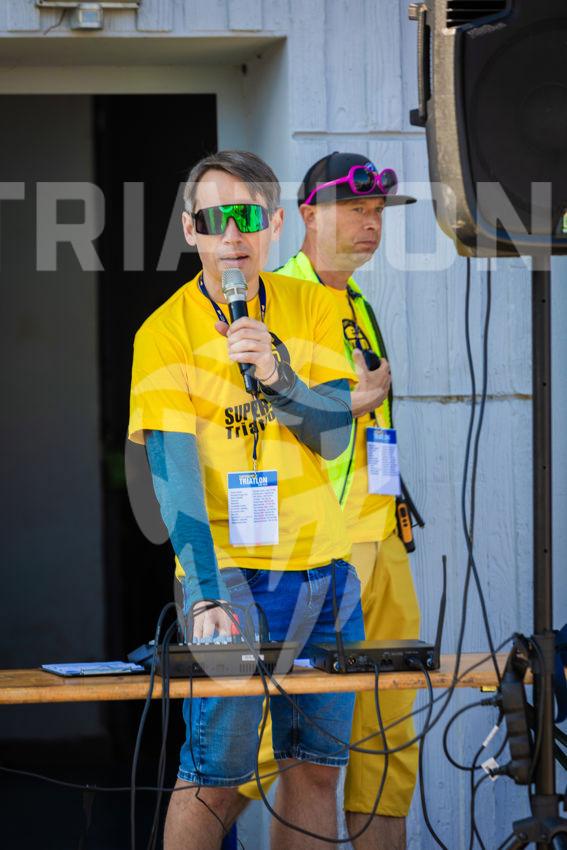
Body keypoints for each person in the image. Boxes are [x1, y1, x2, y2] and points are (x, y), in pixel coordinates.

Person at [128, 150, 366, 850]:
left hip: (323, 570)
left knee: (316, 772)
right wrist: (204, 592)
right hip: (227, 575)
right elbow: (173, 480)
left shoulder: (314, 307)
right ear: (189, 230)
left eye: (247, 217)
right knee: (215, 776)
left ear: (274, 225)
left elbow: (332, 435)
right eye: (213, 219)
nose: (232, 235)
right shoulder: (162, 333)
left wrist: (277, 374)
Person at [237, 152, 422, 850]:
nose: (370, 225)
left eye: (376, 213)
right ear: (308, 215)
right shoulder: (273, 298)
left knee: (387, 738)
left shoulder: (357, 303)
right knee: (269, 751)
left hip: (380, 541)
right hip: (310, 554)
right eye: (354, 210)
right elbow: (254, 422)